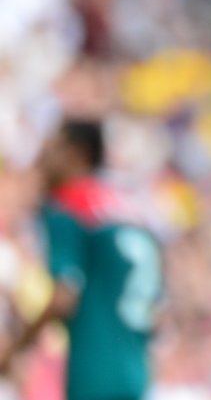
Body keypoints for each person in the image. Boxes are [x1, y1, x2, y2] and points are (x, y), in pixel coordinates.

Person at [0, 120, 163, 400]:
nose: (43, 157)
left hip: (93, 375)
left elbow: (64, 296)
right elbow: (157, 313)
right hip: (135, 374)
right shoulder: (130, 209)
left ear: (78, 154)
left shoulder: (66, 204)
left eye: (53, 147)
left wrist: (16, 348)